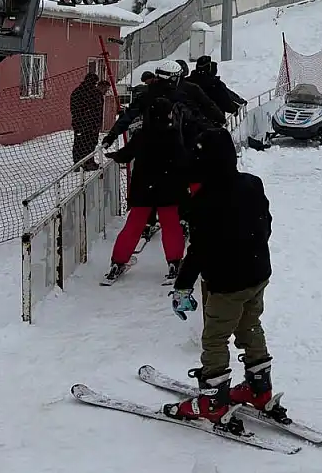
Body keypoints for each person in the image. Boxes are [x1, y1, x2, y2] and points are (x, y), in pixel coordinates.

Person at [164, 127, 277, 429]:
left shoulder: (205, 200)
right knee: (250, 325)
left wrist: (182, 286)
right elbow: (265, 224)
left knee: (215, 337)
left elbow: (199, 250)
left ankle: (212, 401)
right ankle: (259, 388)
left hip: (227, 283)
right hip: (257, 274)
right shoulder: (252, 184)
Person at [103, 96, 189, 281]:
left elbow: (126, 155)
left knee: (133, 225)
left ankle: (118, 261)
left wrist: (115, 155)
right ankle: (174, 262)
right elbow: (182, 160)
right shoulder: (173, 135)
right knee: (171, 226)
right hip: (168, 188)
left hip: (143, 188)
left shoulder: (141, 135)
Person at [102, 60, 224, 149]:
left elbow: (129, 115)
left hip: (155, 146)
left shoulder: (148, 94)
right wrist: (217, 122)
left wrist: (112, 135)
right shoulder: (187, 92)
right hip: (182, 144)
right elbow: (205, 108)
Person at [70, 70, 108, 171]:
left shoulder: (77, 91)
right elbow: (97, 110)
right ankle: (88, 162)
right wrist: (96, 123)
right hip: (91, 124)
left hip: (79, 123)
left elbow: (73, 108)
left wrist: (78, 119)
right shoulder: (95, 93)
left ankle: (78, 164)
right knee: (90, 144)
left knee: (79, 143)